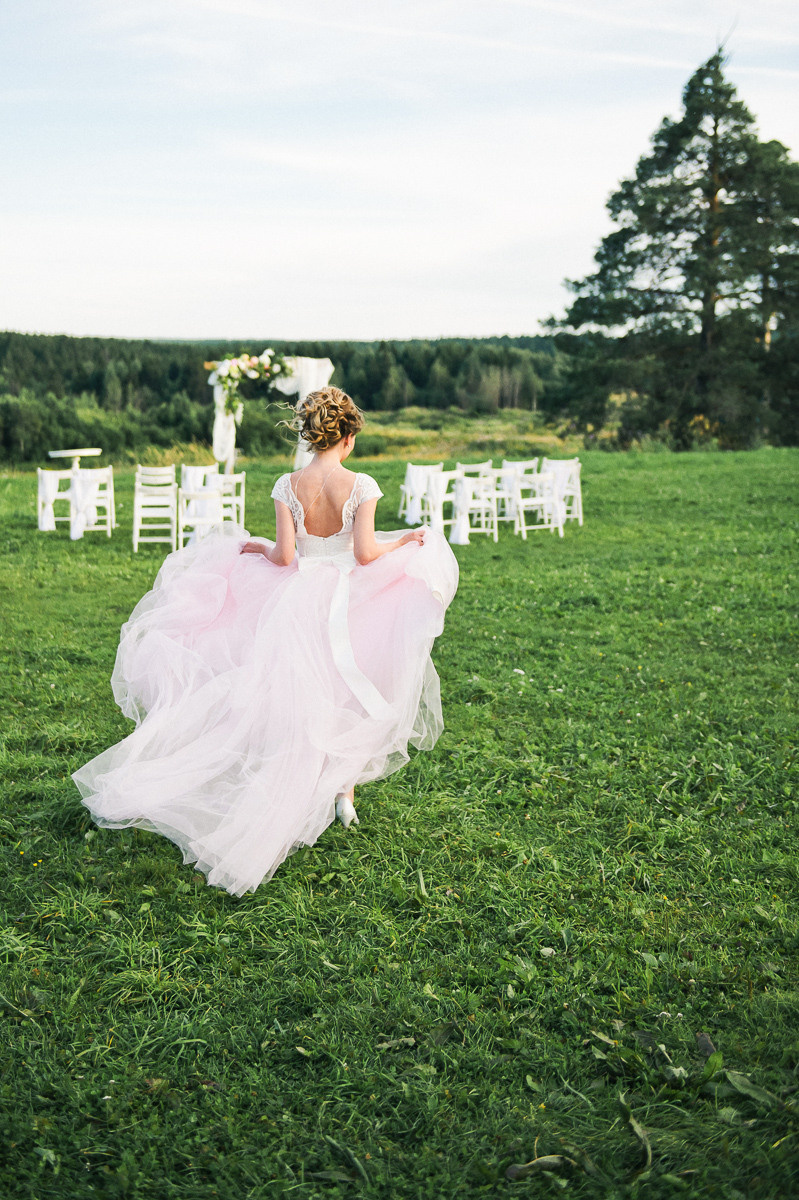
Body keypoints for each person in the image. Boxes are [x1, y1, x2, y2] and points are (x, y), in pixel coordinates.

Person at [73, 388, 458, 896]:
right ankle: (342, 793)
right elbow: (366, 554)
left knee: (298, 691)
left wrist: (256, 546)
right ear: (347, 436)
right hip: (346, 598)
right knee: (347, 690)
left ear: (311, 435)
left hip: (298, 599)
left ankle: (306, 783)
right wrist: (403, 541)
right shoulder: (361, 485)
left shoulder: (287, 484)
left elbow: (284, 557)